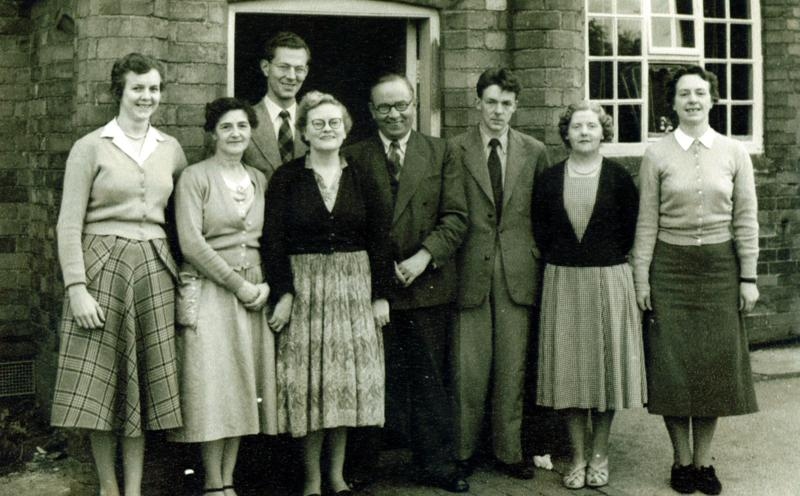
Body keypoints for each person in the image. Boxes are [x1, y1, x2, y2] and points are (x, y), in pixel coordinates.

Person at [50, 53, 186, 496]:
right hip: (100, 267)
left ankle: (134, 489)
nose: (147, 97)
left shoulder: (171, 149)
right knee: (102, 385)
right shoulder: (90, 146)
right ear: (119, 93)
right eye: (138, 89)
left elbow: (182, 222)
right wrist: (77, 287)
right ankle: (109, 488)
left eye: (153, 89)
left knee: (141, 387)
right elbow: (68, 222)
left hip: (154, 272)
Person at [632, 65, 759, 495]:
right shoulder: (657, 154)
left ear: (712, 99)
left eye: (700, 93)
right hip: (670, 268)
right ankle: (680, 461)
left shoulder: (733, 151)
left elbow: (746, 219)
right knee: (673, 367)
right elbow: (646, 221)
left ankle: (704, 463)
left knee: (712, 368)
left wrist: (748, 276)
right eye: (684, 94)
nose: (692, 100)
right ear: (672, 103)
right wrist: (642, 278)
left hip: (721, 269)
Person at [262, 91, 393, 496]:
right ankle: (311, 479)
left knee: (342, 386)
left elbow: (380, 237)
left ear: (346, 128)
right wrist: (283, 292)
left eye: (334, 123)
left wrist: (380, 295)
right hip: (305, 289)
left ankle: (336, 475)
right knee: (309, 387)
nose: (327, 129)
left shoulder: (362, 175)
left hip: (354, 287)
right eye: (317, 123)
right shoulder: (286, 177)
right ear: (303, 131)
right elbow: (273, 241)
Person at [344, 74, 469, 493]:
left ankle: (435, 464)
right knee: (370, 377)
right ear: (371, 111)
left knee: (430, 379)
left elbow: (456, 217)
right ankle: (362, 465)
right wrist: (380, 276)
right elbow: (351, 225)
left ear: (414, 104)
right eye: (384, 107)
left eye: (401, 105)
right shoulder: (354, 155)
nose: (394, 114)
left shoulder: (440, 151)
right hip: (374, 287)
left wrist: (424, 257)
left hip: (428, 285)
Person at [532, 101, 647, 489]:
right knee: (570, 373)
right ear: (566, 133)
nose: (584, 132)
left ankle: (600, 453)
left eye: (592, 126)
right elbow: (541, 231)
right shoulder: (549, 179)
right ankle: (577, 457)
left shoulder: (618, 178)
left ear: (603, 133)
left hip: (609, 280)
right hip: (563, 281)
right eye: (577, 125)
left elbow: (630, 230)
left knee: (606, 372)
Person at [168, 98, 277, 496]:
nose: (235, 134)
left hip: (253, 293)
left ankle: (228, 479)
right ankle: (213, 483)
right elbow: (191, 244)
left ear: (252, 132)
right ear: (213, 133)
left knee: (243, 388)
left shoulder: (258, 178)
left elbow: (267, 240)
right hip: (214, 291)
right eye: (227, 127)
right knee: (214, 389)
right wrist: (238, 284)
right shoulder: (195, 178)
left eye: (243, 127)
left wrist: (267, 285)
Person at [450, 68, 548, 480]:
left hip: (516, 271)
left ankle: (509, 451)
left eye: (506, 104)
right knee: (467, 369)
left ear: (516, 107)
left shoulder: (534, 150)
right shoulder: (454, 149)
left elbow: (545, 213)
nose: (498, 111)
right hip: (470, 269)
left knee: (511, 367)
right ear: (478, 103)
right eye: (491, 102)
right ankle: (463, 450)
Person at [244, 31, 310, 181]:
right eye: (284, 67)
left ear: (305, 72)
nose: (292, 76)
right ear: (266, 67)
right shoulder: (243, 122)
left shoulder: (316, 122)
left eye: (299, 69)